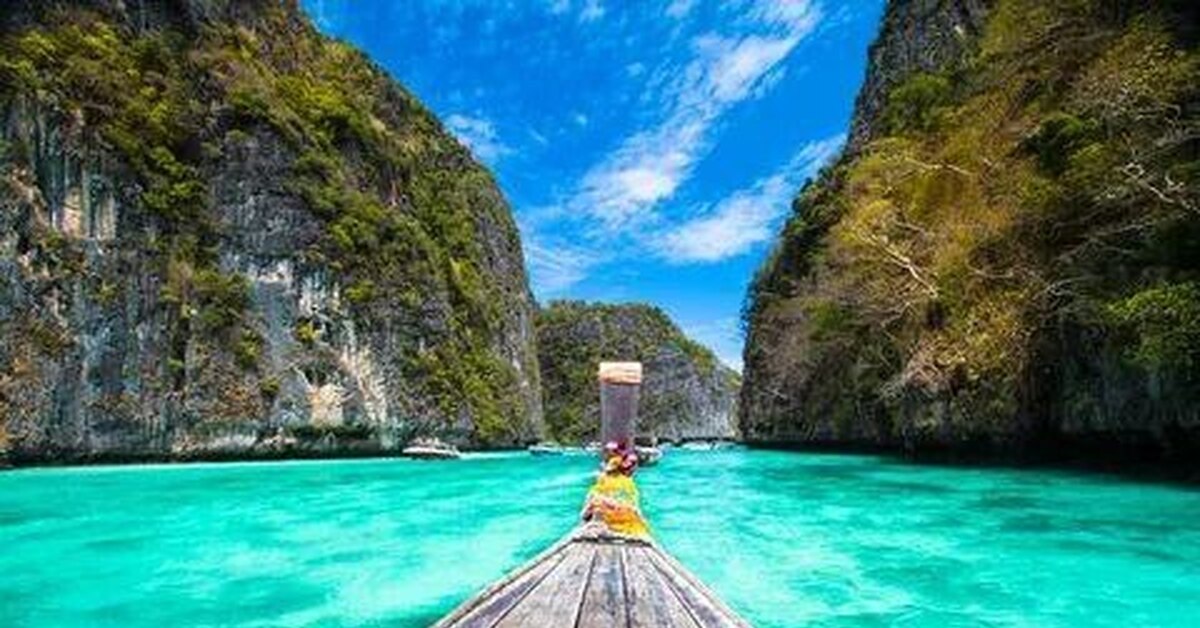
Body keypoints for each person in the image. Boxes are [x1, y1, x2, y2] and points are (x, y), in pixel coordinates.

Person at [580, 441, 650, 538]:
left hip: (605, 516)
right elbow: (633, 508)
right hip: (620, 520)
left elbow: (591, 503)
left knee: (594, 499)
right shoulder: (628, 484)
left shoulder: (605, 477)